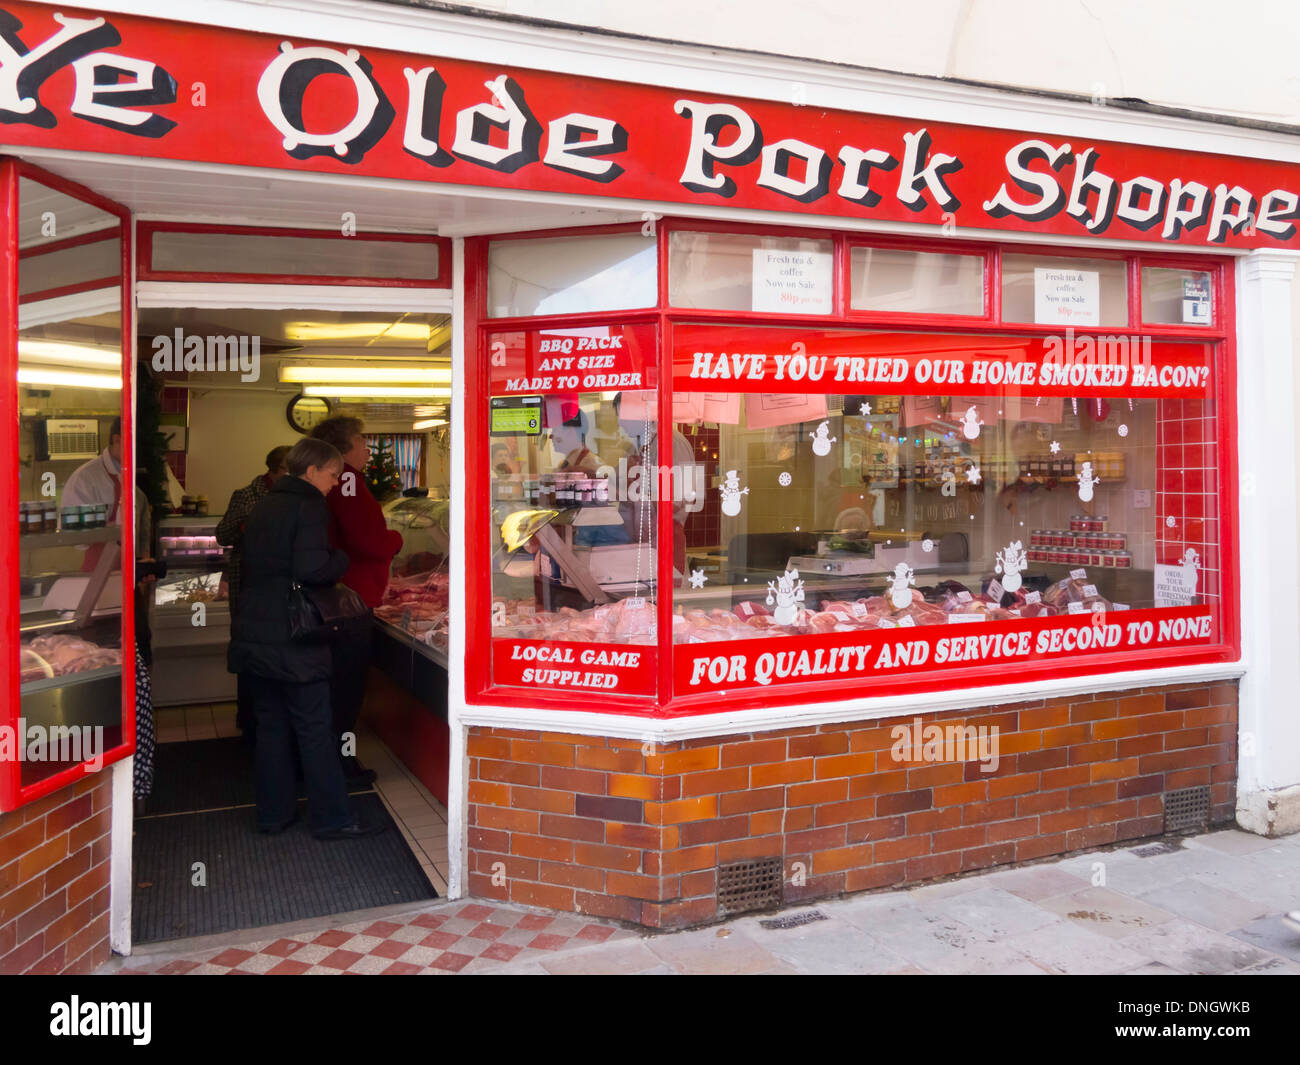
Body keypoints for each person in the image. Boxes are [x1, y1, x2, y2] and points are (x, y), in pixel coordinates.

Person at [227, 437, 383, 839]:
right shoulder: (309, 505)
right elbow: (313, 569)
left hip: (255, 631)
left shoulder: (264, 503)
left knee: (272, 727)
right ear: (312, 470)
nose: (335, 484)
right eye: (333, 475)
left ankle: (273, 815)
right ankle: (333, 819)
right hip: (294, 637)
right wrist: (342, 559)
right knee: (315, 729)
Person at [309, 416, 403, 785]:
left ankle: (331, 763)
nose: (367, 448)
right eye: (362, 440)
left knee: (336, 692)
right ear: (344, 448)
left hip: (336, 598)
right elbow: (368, 540)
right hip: (349, 601)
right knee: (345, 695)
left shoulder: (332, 482)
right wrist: (396, 540)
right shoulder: (347, 480)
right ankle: (341, 767)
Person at [216, 445, 292, 741]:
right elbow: (223, 535)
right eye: (289, 469)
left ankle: (272, 716)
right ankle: (248, 717)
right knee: (249, 648)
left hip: (279, 586)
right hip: (247, 583)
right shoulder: (246, 495)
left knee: (274, 649)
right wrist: (247, 525)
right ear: (276, 470)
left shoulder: (293, 495)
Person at [61, 415, 149, 571]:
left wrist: (145, 559)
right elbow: (75, 537)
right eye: (133, 443)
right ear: (117, 439)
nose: (136, 450)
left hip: (129, 575)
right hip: (97, 575)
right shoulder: (86, 477)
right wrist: (110, 528)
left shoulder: (132, 479)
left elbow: (142, 530)